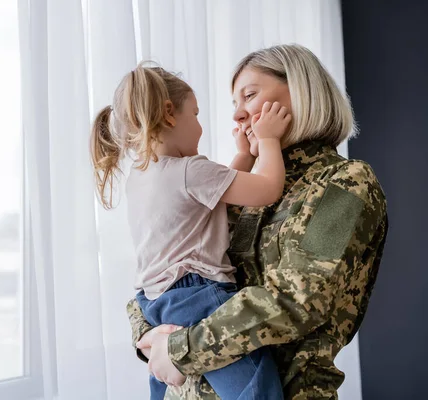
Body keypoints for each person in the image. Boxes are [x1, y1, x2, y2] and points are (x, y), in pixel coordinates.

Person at [127, 44, 388, 400]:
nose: (237, 115)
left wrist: (179, 349)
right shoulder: (244, 183)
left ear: (300, 91)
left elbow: (296, 300)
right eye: (234, 103)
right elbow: (169, 268)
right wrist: (147, 336)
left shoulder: (344, 184)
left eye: (249, 95)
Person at [90, 63, 292, 399]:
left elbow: (214, 197)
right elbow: (268, 189)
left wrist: (244, 154)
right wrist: (269, 140)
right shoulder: (189, 171)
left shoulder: (142, 177)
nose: (200, 126)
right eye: (195, 114)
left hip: (156, 304)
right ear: (170, 114)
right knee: (258, 391)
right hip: (196, 295)